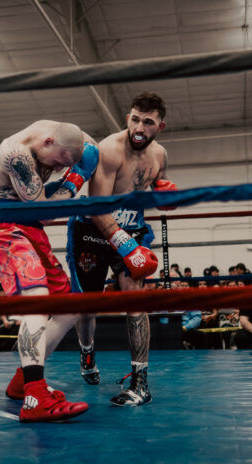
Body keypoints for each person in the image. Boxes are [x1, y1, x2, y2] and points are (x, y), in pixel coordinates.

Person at [0, 120, 97, 422]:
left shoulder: (58, 135)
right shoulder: (16, 154)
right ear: (47, 143)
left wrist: (83, 159)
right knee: (37, 300)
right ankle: (35, 396)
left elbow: (91, 144)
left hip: (30, 228)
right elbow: (45, 214)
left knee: (69, 306)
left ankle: (23, 380)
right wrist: (75, 181)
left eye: (66, 164)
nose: (60, 169)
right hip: (7, 227)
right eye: (60, 162)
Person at [66, 92, 169, 406]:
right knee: (87, 306)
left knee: (134, 300)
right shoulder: (108, 149)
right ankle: (87, 353)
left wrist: (167, 197)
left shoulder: (160, 156)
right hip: (93, 233)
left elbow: (155, 191)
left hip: (132, 230)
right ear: (128, 118)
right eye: (135, 118)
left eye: (147, 122)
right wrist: (125, 245)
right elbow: (99, 209)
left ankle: (140, 383)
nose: (139, 126)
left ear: (159, 126)